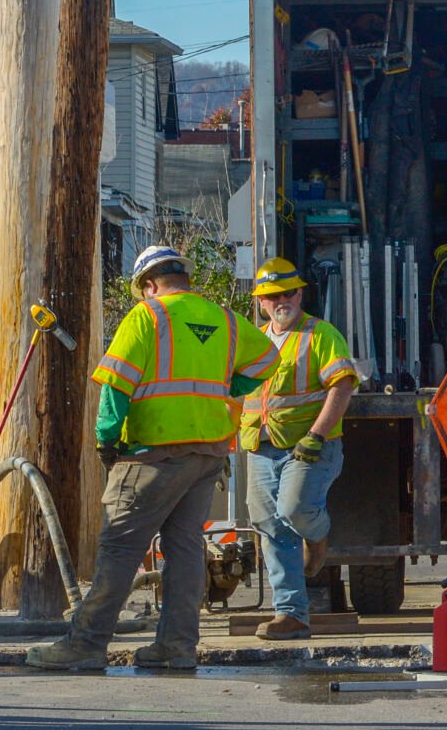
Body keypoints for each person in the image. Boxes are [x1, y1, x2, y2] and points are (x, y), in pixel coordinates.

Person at [27, 246, 279, 671]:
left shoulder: (148, 316)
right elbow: (268, 359)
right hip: (208, 452)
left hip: (152, 455)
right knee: (184, 550)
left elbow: (115, 384)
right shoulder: (224, 319)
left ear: (148, 284)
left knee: (120, 549)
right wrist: (227, 384)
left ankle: (86, 644)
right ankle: (176, 647)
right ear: (183, 276)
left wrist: (106, 440)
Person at [240, 257, 359, 641]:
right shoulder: (254, 340)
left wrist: (317, 435)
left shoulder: (321, 334)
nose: (280, 301)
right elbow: (237, 394)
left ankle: (317, 534)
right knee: (269, 526)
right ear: (260, 301)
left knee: (293, 509)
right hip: (261, 446)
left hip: (309, 447)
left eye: (287, 292)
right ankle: (291, 615)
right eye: (271, 296)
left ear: (300, 293)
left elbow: (342, 385)